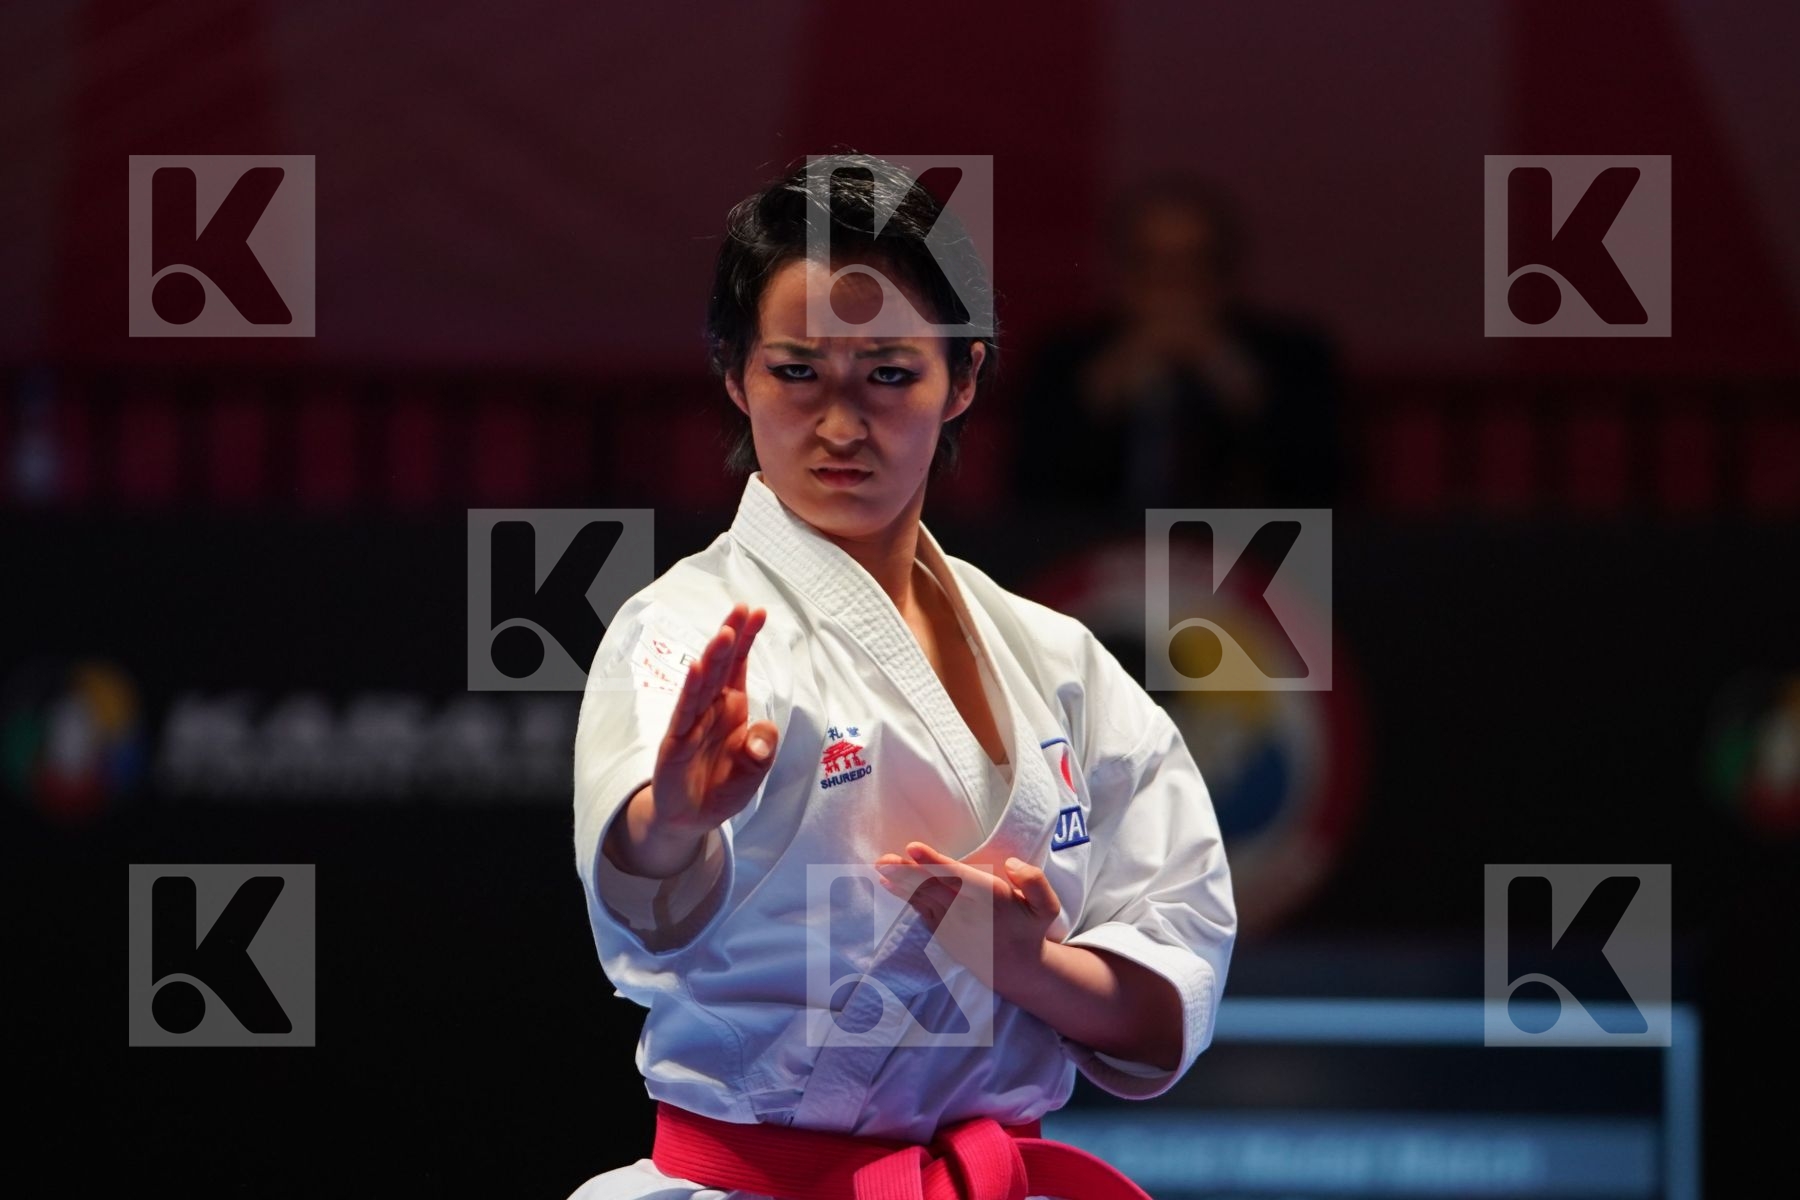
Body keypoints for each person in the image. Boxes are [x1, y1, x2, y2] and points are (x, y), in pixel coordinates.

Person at [567, 154, 1236, 1200]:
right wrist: (673, 819)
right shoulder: (691, 629)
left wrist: (1030, 966)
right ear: (736, 375)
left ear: (962, 379)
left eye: (888, 374)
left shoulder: (1058, 661)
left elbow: (1168, 995)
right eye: (797, 372)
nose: (841, 424)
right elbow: (644, 908)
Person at [1014, 174, 1343, 512]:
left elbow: (1333, 495)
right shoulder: (1064, 360)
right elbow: (1028, 501)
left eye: (1195, 262)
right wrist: (1099, 397)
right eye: (1150, 263)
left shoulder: (1296, 359)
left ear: (1227, 274)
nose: (1173, 283)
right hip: (1107, 544)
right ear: (1120, 273)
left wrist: (1240, 386)